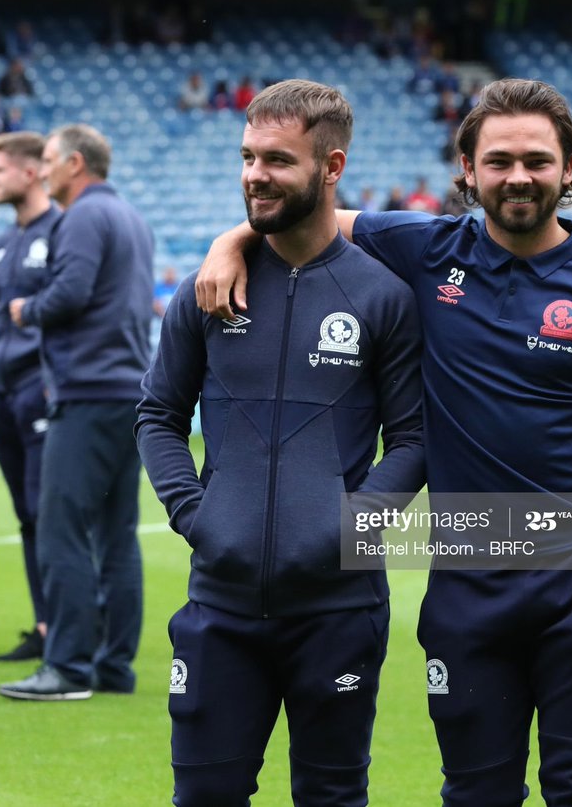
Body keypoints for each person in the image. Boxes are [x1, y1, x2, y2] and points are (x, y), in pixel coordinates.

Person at [195, 77, 572, 807]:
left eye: (537, 159)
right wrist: (233, 238)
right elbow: (306, 214)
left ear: (570, 168)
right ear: (468, 169)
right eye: (498, 161)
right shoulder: (425, 249)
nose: (518, 177)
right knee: (473, 793)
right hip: (468, 577)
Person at [136, 78, 427, 807]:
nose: (255, 176)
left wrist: (351, 524)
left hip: (339, 610)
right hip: (220, 608)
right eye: (246, 158)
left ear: (331, 168)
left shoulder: (382, 296)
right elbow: (158, 415)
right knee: (203, 796)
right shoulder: (208, 287)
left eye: (277, 160)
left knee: (332, 796)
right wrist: (196, 516)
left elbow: (415, 440)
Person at [0, 123, 153, 700]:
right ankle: (114, 666)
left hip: (86, 392)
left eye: (49, 159)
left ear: (76, 164)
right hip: (126, 394)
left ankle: (66, 667)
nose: (40, 169)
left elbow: (69, 294)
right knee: (116, 535)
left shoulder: (82, 216)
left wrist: (24, 308)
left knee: (59, 528)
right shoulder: (130, 216)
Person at [0, 131, 62, 662]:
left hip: (42, 389)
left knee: (49, 511)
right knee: (27, 514)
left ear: (31, 173)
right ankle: (43, 622)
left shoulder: (63, 231)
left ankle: (69, 623)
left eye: (0, 169)